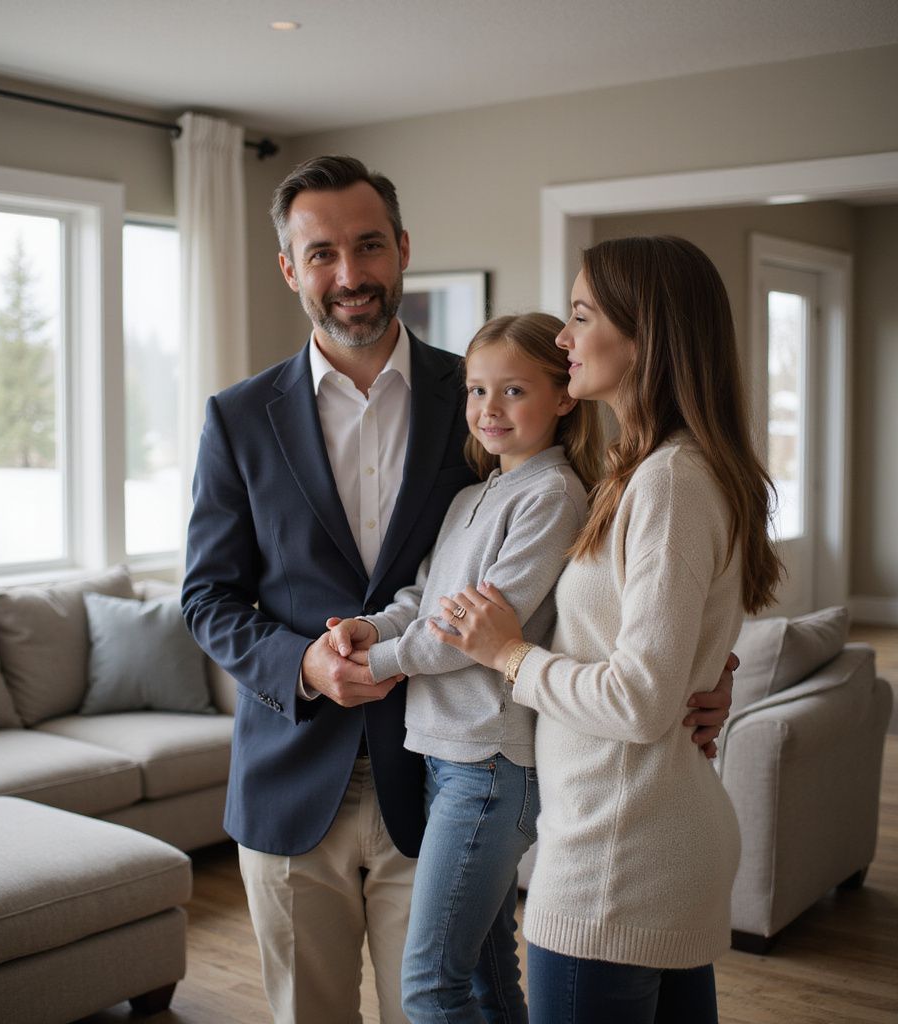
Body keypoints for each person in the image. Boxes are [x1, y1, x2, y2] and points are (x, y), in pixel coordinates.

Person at [182, 154, 735, 1024]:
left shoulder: (482, 390)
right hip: (292, 783)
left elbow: (613, 571)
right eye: (322, 253)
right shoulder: (238, 418)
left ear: (402, 249)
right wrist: (309, 665)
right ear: (290, 269)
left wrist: (711, 660)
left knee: (442, 998)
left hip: (448, 772)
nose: (351, 273)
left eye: (369, 246)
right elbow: (208, 600)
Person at [432, 235, 783, 1024]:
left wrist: (509, 653)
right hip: (646, 839)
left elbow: (639, 700)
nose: (563, 335)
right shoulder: (650, 467)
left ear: (645, 337)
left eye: (583, 314)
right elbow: (665, 646)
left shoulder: (668, 481)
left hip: (614, 860)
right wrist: (706, 671)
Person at [326, 312, 602, 1023]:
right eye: (478, 391)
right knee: (483, 975)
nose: (489, 410)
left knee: (426, 986)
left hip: (488, 767)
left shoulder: (552, 496)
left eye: (513, 391)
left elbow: (468, 637)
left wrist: (380, 664)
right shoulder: (469, 497)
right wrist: (366, 629)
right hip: (444, 756)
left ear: (564, 396)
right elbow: (423, 601)